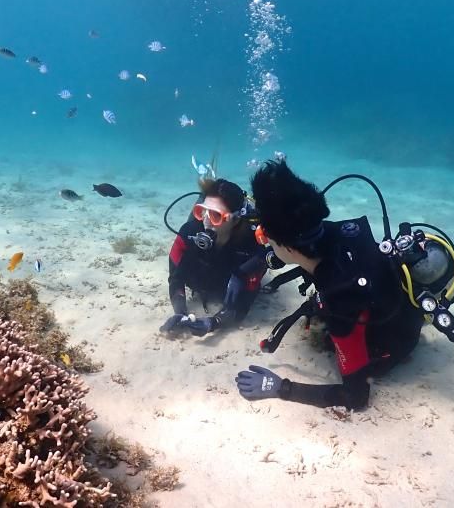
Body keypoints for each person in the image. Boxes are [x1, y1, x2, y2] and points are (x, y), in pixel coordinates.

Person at [235, 160, 430, 410]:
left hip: (392, 343)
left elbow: (356, 397)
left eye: (264, 237)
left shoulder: (340, 300)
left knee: (332, 340)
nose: (264, 244)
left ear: (288, 247)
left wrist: (281, 388)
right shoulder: (328, 230)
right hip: (396, 304)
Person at [160, 178, 268, 336]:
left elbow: (244, 301)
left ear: (236, 219)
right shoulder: (188, 233)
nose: (205, 220)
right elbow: (175, 278)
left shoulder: (252, 248)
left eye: (215, 215)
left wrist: (214, 322)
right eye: (202, 211)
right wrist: (180, 313)